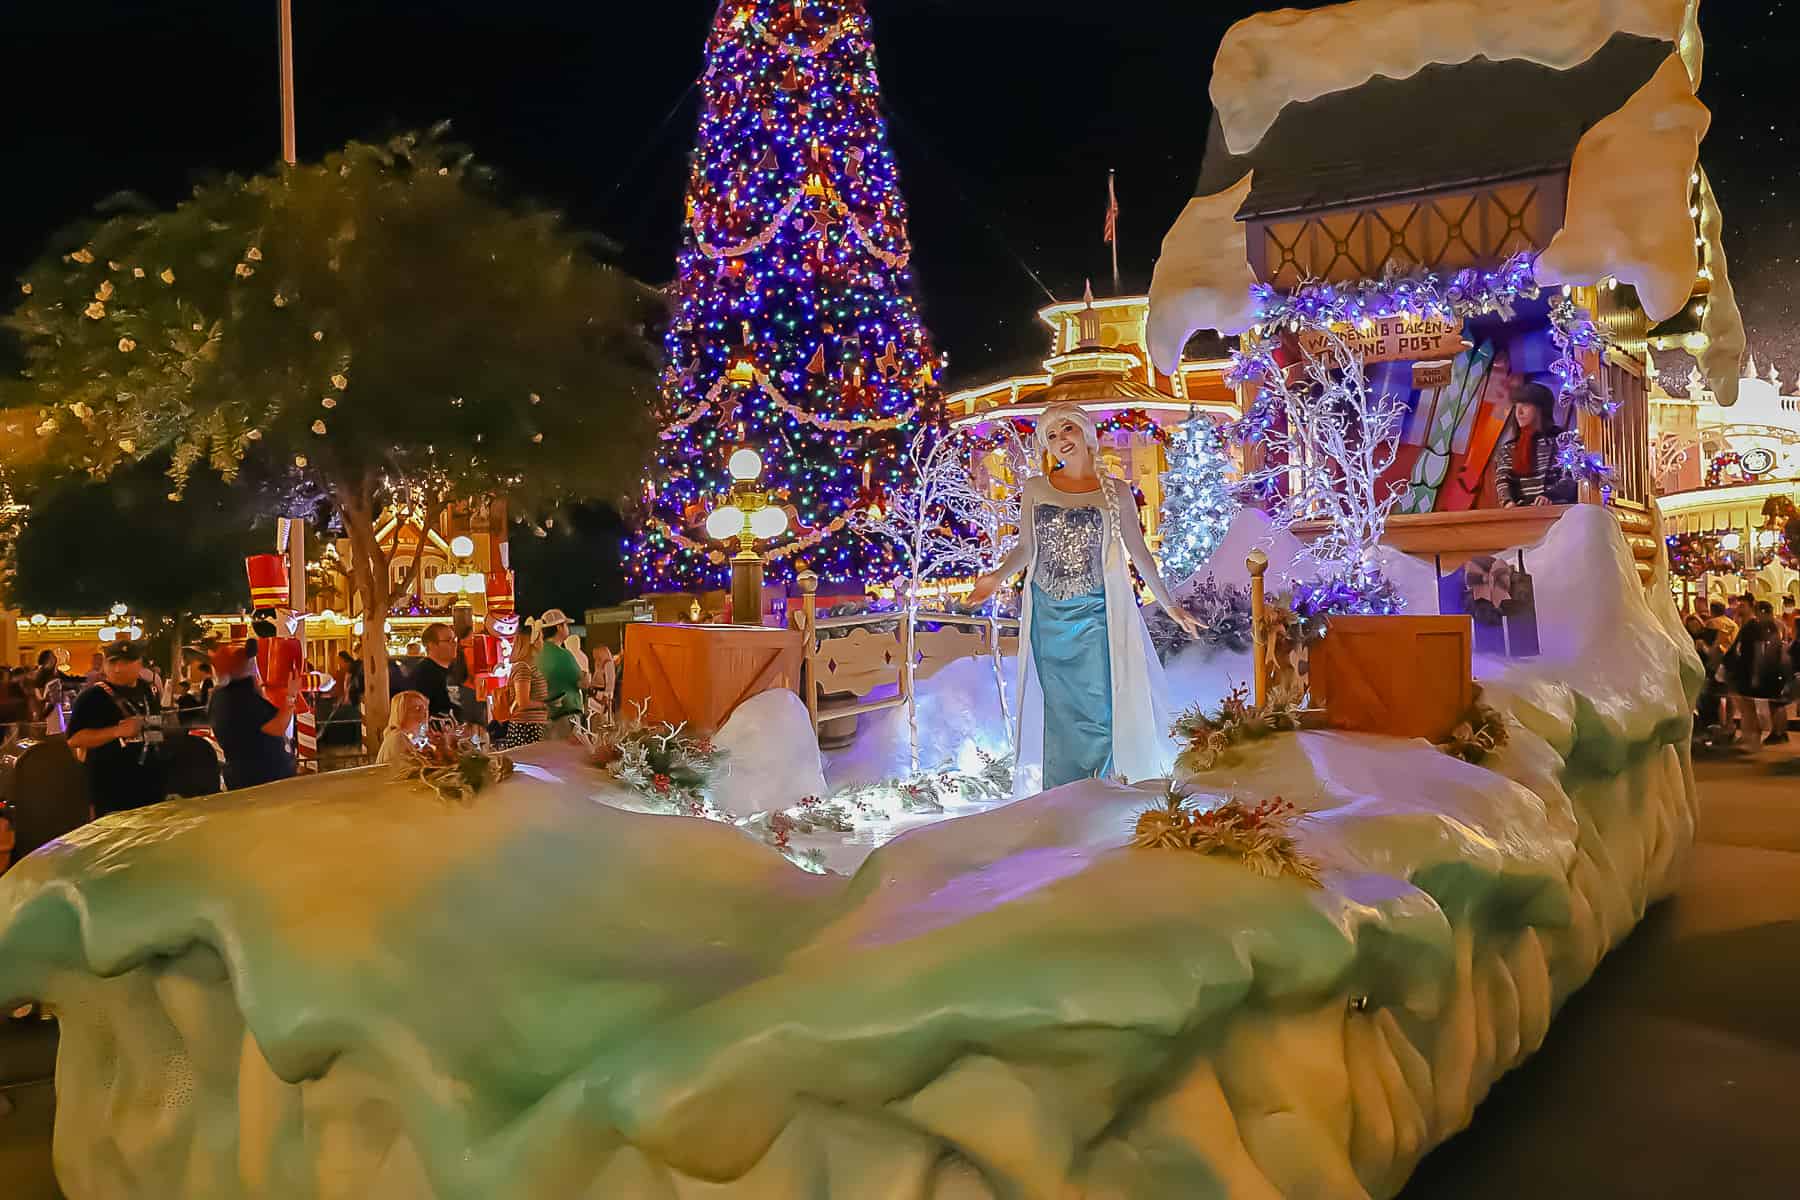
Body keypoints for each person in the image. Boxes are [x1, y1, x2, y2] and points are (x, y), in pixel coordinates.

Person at [970, 403, 1200, 792]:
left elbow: (1140, 555)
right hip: (1047, 613)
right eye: (1052, 436)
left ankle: (1097, 794)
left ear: (1085, 432)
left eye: (1067, 430)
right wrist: (996, 577)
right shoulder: (1035, 489)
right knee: (1060, 712)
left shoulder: (1117, 493)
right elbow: (1026, 547)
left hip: (1095, 614)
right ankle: (1061, 798)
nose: (1062, 441)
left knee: (1097, 709)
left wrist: (1170, 604)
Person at [66, 642, 166, 817]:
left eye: (126, 663)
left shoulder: (149, 690)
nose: (118, 669)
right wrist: (116, 731)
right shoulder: (93, 697)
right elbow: (75, 739)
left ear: (139, 663)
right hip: (111, 789)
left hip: (151, 784)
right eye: (113, 663)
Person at [207, 643, 299, 790]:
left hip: (240, 774)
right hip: (265, 776)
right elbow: (276, 728)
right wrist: (291, 698)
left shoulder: (218, 697)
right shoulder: (243, 697)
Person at [1494, 382, 1579, 508]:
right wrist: (1508, 503)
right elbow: (1503, 480)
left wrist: (1549, 496)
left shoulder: (1562, 441)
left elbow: (1571, 478)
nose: (1519, 412)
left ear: (1541, 409)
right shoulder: (1509, 448)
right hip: (1521, 515)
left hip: (1559, 512)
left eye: (1526, 405)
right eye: (1516, 405)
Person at [1722, 598, 1789, 747]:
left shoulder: (1754, 626)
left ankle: (1752, 737)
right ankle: (1751, 736)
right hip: (1747, 670)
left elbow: (1759, 650)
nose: (1739, 607)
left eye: (1742, 605)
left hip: (1749, 670)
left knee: (1749, 706)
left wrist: (1756, 673)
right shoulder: (1750, 625)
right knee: (1746, 705)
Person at [496, 627, 550, 750]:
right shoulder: (523, 668)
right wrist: (546, 704)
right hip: (527, 727)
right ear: (531, 642)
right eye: (540, 638)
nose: (543, 642)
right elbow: (523, 702)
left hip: (532, 725)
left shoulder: (530, 666)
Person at [535, 609, 585, 731]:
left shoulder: (538, 653)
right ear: (559, 627)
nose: (568, 628)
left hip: (545, 716)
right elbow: (581, 682)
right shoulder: (563, 655)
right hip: (565, 714)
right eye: (566, 625)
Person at [408, 623, 460, 721]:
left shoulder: (455, 670)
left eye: (455, 640)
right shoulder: (424, 673)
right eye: (449, 640)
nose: (455, 644)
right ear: (431, 645)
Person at [375, 691, 430, 765]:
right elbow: (413, 772)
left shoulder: (400, 737)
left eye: (425, 708)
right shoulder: (398, 738)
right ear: (401, 713)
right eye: (417, 709)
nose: (424, 713)